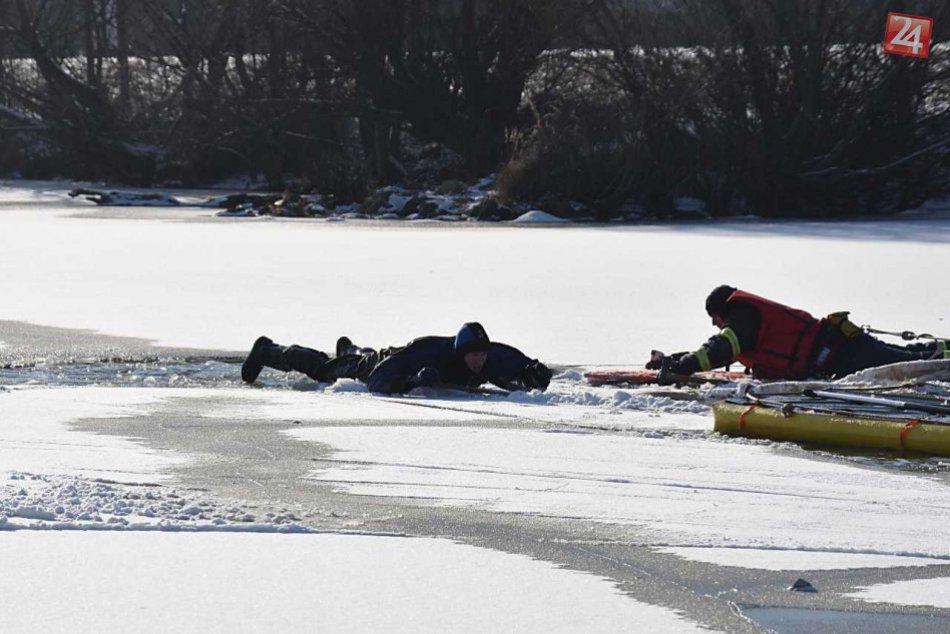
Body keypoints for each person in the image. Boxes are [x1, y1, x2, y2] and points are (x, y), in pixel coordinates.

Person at [649, 285, 949, 381]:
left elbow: (719, 349)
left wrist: (684, 368)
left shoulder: (742, 318)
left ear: (722, 310)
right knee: (909, 359)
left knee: (911, 366)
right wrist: (675, 359)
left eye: (714, 317)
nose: (714, 324)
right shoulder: (743, 322)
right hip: (835, 348)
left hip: (838, 350)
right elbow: (720, 347)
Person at [240, 322, 552, 394]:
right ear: (460, 353)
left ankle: (348, 347)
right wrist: (414, 381)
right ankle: (268, 349)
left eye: (483, 355)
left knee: (351, 355)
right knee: (324, 370)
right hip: (378, 365)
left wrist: (533, 372)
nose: (479, 362)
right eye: (474, 356)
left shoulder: (492, 355)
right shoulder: (430, 351)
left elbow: (521, 364)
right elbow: (377, 382)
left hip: (390, 359)